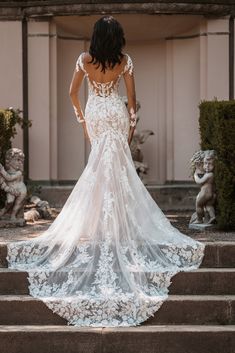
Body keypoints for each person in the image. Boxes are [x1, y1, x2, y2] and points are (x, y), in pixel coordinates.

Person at [7, 16, 205, 327]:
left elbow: (73, 93)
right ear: (118, 37)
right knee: (118, 168)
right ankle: (112, 225)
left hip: (97, 113)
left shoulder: (84, 60)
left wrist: (84, 121)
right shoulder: (125, 60)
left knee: (97, 168)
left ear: (96, 37)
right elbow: (132, 102)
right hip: (114, 111)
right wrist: (128, 132)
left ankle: (99, 224)